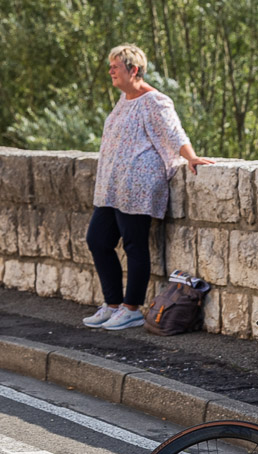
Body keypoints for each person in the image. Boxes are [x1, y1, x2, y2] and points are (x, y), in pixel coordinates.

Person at [83, 44, 213, 331]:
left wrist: (190, 157)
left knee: (134, 245)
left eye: (116, 67)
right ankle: (113, 304)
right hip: (112, 187)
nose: (111, 71)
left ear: (134, 70)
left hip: (138, 186)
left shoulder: (154, 101)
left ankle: (131, 309)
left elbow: (173, 131)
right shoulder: (124, 99)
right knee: (98, 240)